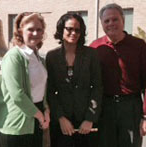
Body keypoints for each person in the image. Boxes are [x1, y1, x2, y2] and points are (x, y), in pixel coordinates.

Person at [90, 3, 146, 147]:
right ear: (101, 23)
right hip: (105, 107)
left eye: (115, 19)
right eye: (106, 21)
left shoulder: (138, 45)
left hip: (131, 107)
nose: (111, 23)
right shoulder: (95, 47)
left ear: (123, 20)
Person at [46, 13, 103, 147]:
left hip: (86, 121)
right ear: (61, 30)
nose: (73, 33)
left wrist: (90, 118)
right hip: (61, 122)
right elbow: (49, 91)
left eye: (77, 30)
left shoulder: (91, 55)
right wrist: (60, 117)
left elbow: (97, 87)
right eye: (69, 29)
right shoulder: (52, 56)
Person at [0, 12, 50, 147]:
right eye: (30, 29)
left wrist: (46, 110)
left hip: (36, 120)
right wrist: (40, 116)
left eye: (39, 29)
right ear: (20, 31)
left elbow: (41, 89)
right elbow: (17, 94)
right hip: (17, 124)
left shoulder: (38, 58)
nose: (35, 33)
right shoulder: (14, 57)